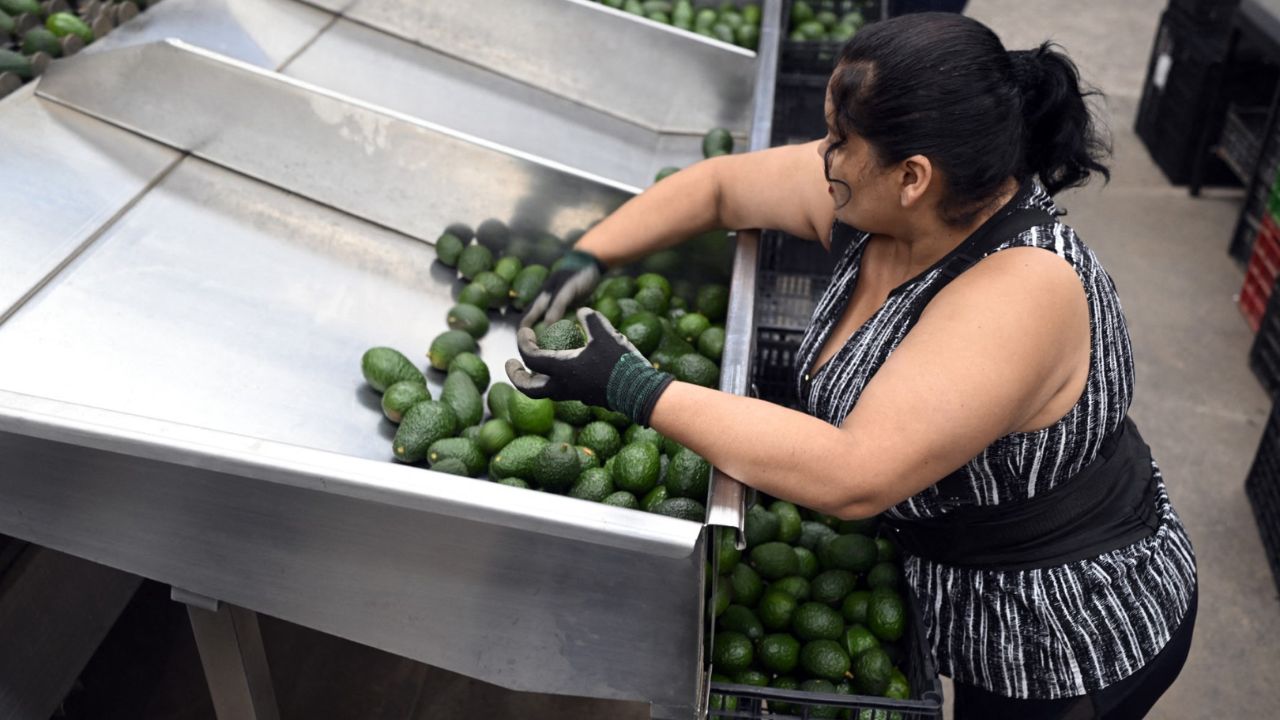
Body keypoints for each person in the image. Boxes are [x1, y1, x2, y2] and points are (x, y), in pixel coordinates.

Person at [507, 13, 1197, 719]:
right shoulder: (879, 204)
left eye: (840, 140)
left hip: (1065, 631)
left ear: (913, 175)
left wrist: (628, 384)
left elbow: (852, 473)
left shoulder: (1019, 293)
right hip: (948, 564)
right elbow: (720, 189)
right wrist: (588, 256)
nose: (824, 156)